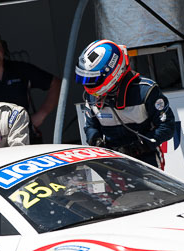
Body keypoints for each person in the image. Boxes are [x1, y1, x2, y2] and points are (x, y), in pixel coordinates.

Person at [75, 40, 175, 169]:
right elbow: (90, 127)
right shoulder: (92, 96)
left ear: (113, 72)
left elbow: (167, 127)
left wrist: (137, 148)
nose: (88, 85)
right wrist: (96, 142)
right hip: (112, 161)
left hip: (146, 159)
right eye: (85, 79)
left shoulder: (145, 91)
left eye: (92, 80)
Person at [0, 26, 61, 143]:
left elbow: (56, 84)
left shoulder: (20, 69)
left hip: (26, 137)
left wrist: (41, 114)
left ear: (3, 47)